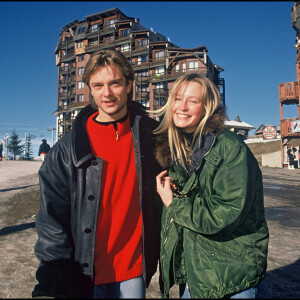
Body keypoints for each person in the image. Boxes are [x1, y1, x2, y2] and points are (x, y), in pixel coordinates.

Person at [32, 50, 162, 299]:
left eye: (115, 83)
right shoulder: (67, 149)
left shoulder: (152, 138)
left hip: (131, 272)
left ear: (129, 85)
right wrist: (50, 282)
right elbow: (51, 221)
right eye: (98, 85)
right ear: (90, 89)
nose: (107, 93)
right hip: (84, 273)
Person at [150, 73, 269, 298]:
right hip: (196, 272)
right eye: (177, 99)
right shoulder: (177, 149)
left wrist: (173, 204)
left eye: (192, 101)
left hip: (232, 273)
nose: (182, 107)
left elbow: (226, 212)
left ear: (206, 108)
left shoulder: (229, 147)